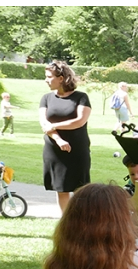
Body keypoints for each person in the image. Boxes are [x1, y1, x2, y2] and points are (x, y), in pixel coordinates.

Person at [40, 61, 91, 214]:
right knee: (61, 188)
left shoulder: (81, 97)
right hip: (54, 150)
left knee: (80, 188)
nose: (46, 80)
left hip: (77, 149)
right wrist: (58, 139)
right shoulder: (46, 98)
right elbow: (44, 124)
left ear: (61, 78)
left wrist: (55, 126)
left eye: (49, 77)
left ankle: (81, 220)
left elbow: (80, 121)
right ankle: (66, 221)